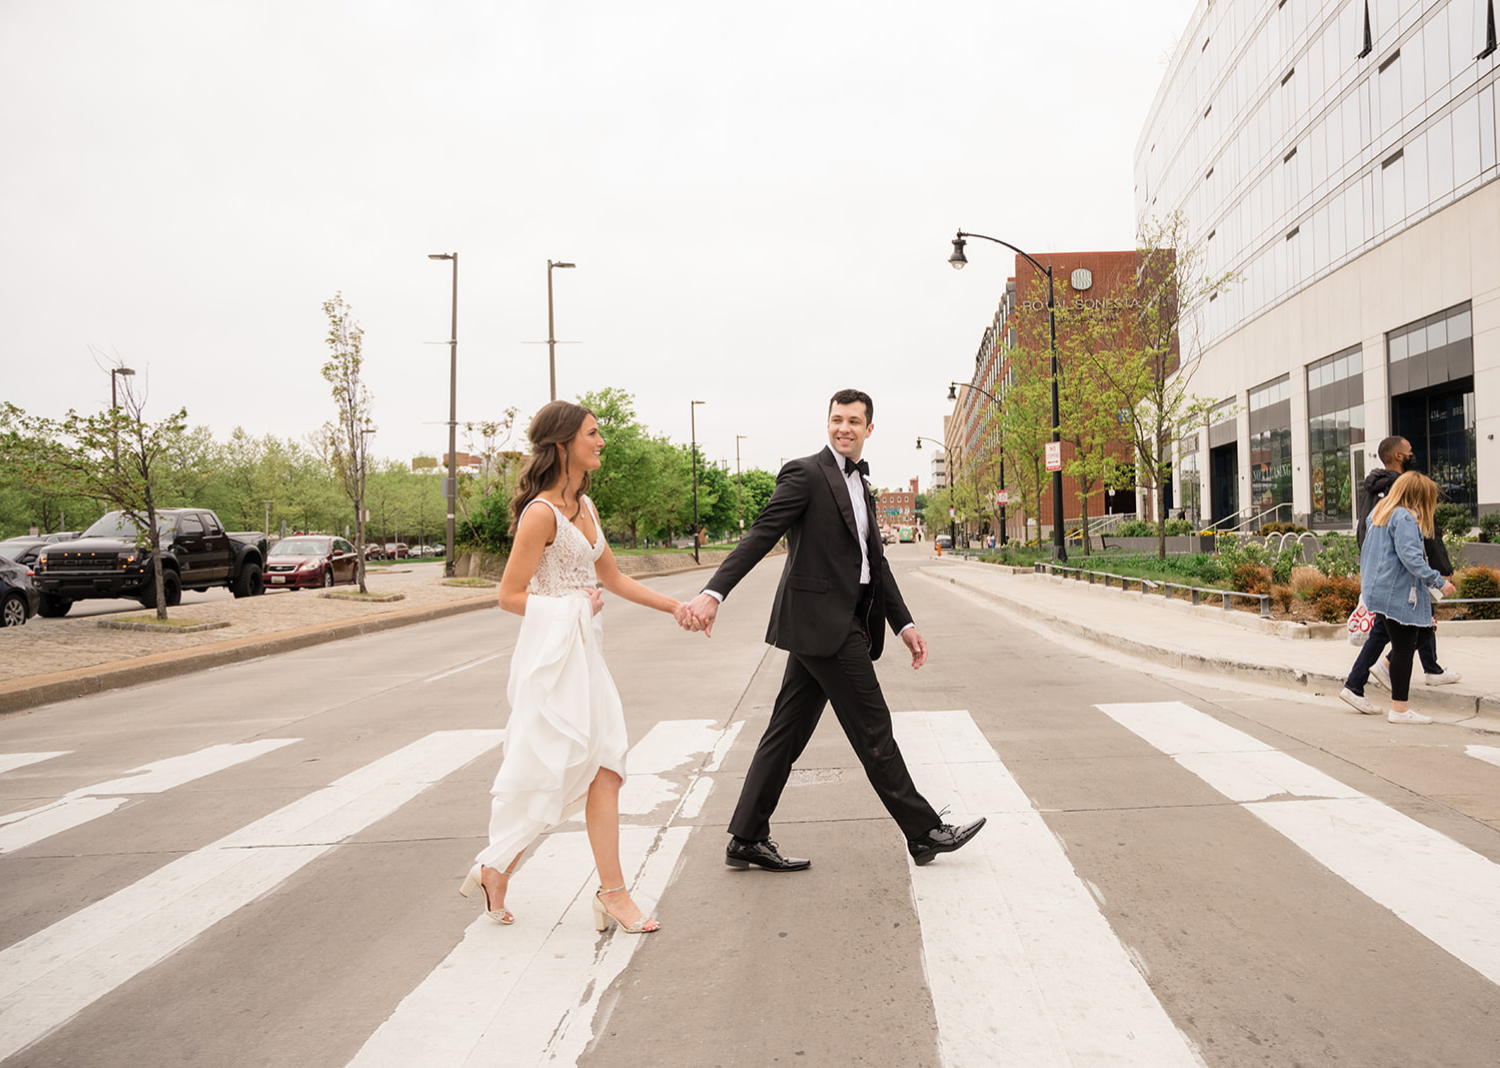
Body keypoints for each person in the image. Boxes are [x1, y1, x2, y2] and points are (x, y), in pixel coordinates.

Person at [682, 389, 985, 871]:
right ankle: (924, 832)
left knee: (785, 733)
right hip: (824, 625)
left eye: (853, 421)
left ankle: (745, 837)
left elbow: (875, 565)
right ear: (828, 423)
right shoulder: (805, 473)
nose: (844, 428)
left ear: (869, 428)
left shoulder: (862, 486)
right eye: (836, 419)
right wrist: (713, 593)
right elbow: (762, 533)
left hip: (830, 626)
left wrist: (903, 623)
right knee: (873, 726)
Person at [460, 400, 698, 933]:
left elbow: (614, 579)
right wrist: (571, 607)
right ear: (564, 442)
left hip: (585, 656)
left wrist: (677, 608)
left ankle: (512, 872)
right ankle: (519, 872)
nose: (602, 442)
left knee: (606, 767)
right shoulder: (540, 513)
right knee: (555, 773)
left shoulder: (586, 509)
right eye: (593, 433)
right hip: (553, 662)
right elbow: (509, 595)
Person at [1339, 436, 1461, 715]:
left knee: (1410, 630)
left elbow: (1368, 538)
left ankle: (1363, 684)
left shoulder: (1378, 501)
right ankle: (1396, 703)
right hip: (1398, 583)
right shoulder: (1402, 511)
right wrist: (1438, 577)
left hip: (1385, 582)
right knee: (1407, 638)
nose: (1412, 454)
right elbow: (1412, 553)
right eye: (1408, 452)